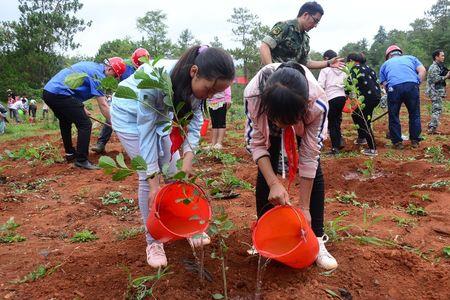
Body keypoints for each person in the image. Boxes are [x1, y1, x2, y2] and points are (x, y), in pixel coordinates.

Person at [110, 45, 235, 268]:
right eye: (207, 90)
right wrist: (153, 181)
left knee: (173, 170)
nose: (209, 96)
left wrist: (187, 158)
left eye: (214, 94)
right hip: (129, 116)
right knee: (148, 178)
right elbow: (147, 131)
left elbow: (195, 121)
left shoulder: (200, 87)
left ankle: (185, 225)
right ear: (194, 71)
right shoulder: (155, 80)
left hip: (161, 117)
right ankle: (154, 240)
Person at [245, 62, 338, 270]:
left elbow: (309, 156)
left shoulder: (317, 104)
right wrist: (273, 182)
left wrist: (304, 207)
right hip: (268, 111)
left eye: (287, 121)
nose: (281, 125)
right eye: (277, 120)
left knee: (315, 168)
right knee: (267, 168)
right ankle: (264, 236)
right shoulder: (253, 97)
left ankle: (316, 237)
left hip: (303, 122)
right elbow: (258, 145)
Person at [42, 57, 126, 169]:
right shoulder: (98, 77)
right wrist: (115, 124)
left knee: (65, 121)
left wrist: (80, 107)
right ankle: (81, 160)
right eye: (115, 76)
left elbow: (74, 88)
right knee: (85, 124)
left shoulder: (93, 66)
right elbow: (103, 105)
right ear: (110, 69)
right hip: (59, 93)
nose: (114, 79)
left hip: (49, 92)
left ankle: (70, 154)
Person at [91, 48, 151, 154]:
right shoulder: (125, 66)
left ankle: (143, 146)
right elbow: (113, 78)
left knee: (145, 118)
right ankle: (101, 143)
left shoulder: (149, 68)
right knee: (112, 113)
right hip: (123, 96)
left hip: (140, 98)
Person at [260, 1, 344, 69]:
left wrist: (328, 63)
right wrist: (271, 70)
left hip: (289, 80)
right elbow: (265, 46)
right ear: (305, 15)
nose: (315, 25)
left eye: (317, 23)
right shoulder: (285, 27)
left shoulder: (305, 38)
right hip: (271, 79)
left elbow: (306, 62)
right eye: (315, 21)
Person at [379, 45, 426, 149]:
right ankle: (415, 140)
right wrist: (416, 84)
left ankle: (397, 143)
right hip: (411, 85)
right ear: (400, 53)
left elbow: (384, 83)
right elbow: (422, 70)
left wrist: (391, 93)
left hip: (394, 87)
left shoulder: (385, 64)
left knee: (394, 115)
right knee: (414, 114)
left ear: (388, 56)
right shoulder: (411, 58)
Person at [347, 53, 381, 156]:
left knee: (364, 122)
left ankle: (372, 149)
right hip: (375, 97)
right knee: (355, 115)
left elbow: (350, 87)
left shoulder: (353, 70)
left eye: (348, 62)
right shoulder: (369, 68)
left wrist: (349, 100)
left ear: (352, 61)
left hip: (366, 99)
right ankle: (361, 138)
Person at [317, 50, 346, 155]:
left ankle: (335, 148)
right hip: (342, 97)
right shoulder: (344, 69)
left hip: (331, 98)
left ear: (326, 59)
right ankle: (339, 141)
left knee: (331, 123)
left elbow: (320, 85)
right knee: (337, 121)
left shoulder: (325, 70)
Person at [426, 49, 450, 134]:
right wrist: (446, 76)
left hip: (437, 91)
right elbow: (435, 79)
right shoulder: (434, 67)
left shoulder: (439, 66)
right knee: (437, 109)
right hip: (434, 91)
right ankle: (432, 129)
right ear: (436, 57)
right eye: (442, 55)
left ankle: (432, 126)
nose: (444, 57)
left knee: (436, 109)